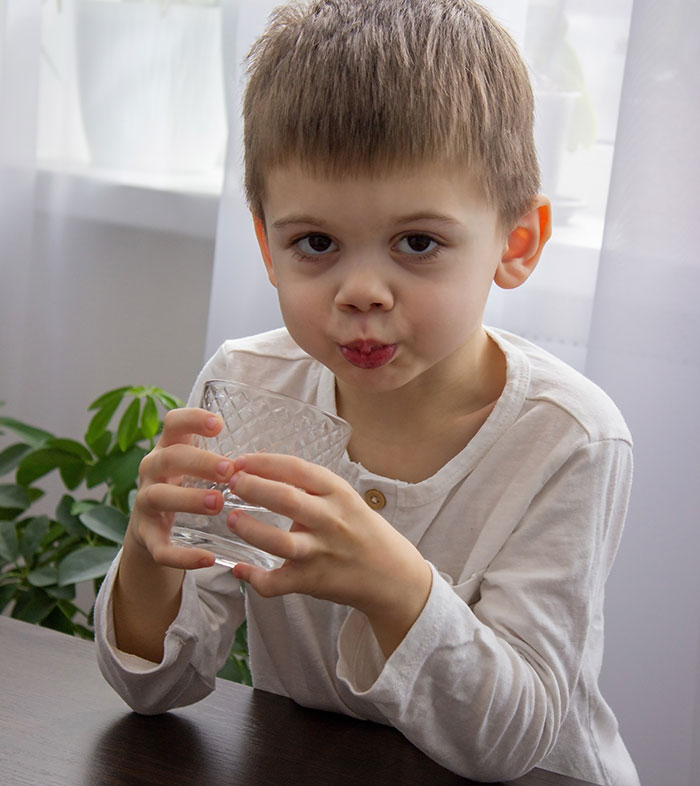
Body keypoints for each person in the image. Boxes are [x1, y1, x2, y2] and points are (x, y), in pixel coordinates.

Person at [94, 1, 639, 783]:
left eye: (418, 243)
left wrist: (397, 587)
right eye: (316, 243)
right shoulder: (247, 386)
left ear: (515, 244)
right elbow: (152, 689)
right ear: (268, 247)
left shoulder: (569, 438)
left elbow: (513, 745)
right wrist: (152, 560)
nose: (361, 292)